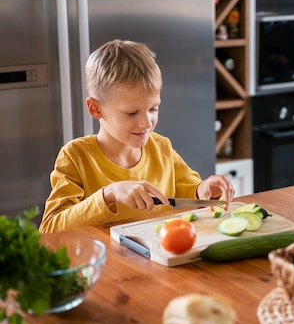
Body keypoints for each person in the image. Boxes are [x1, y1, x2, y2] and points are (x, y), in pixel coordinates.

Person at [40, 39, 235, 233]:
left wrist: (205, 189)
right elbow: (51, 228)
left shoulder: (161, 147)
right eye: (132, 113)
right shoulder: (75, 157)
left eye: (153, 108)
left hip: (157, 260)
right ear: (95, 108)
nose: (147, 122)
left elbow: (190, 189)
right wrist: (108, 195)